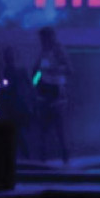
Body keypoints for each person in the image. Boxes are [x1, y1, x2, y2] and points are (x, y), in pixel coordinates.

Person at [33, 26, 72, 164]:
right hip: (44, 89)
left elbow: (69, 69)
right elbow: (37, 68)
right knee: (43, 128)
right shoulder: (44, 51)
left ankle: (65, 158)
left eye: (45, 38)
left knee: (59, 128)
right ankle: (42, 158)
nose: (42, 41)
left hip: (57, 91)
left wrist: (54, 69)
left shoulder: (59, 51)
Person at [0, 46, 35, 159]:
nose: (8, 58)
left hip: (16, 107)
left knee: (16, 133)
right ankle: (25, 158)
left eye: (9, 56)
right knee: (15, 133)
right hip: (12, 107)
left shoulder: (16, 71)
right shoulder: (7, 72)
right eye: (7, 56)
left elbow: (30, 85)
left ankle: (25, 158)